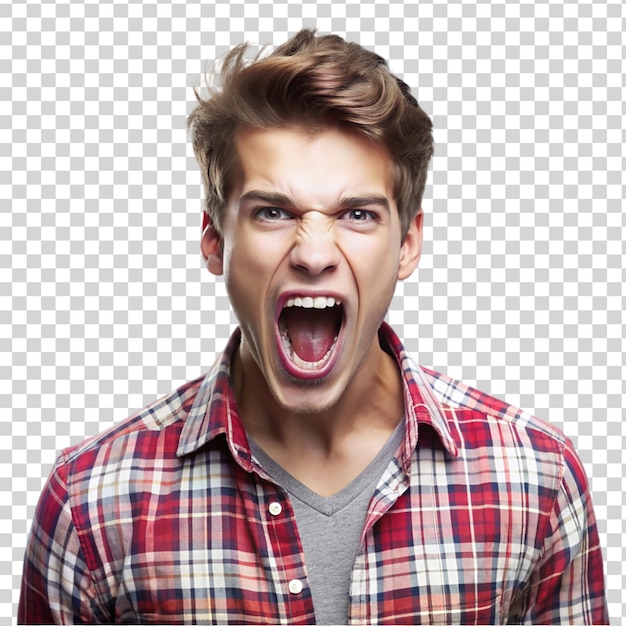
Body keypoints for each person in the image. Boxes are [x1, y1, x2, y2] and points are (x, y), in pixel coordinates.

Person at [19, 29, 608, 625]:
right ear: (215, 241)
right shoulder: (92, 505)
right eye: (273, 212)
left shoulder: (535, 479)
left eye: (357, 214)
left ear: (407, 243)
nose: (314, 253)